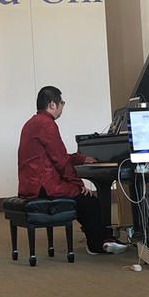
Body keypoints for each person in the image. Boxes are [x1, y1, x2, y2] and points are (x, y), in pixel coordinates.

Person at [17, 86, 127, 254]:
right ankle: (97, 244)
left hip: (31, 184)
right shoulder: (47, 124)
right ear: (52, 104)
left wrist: (81, 158)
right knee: (88, 200)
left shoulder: (32, 123)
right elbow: (60, 161)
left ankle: (101, 237)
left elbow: (53, 155)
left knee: (83, 200)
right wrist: (78, 183)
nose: (62, 106)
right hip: (43, 186)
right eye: (62, 102)